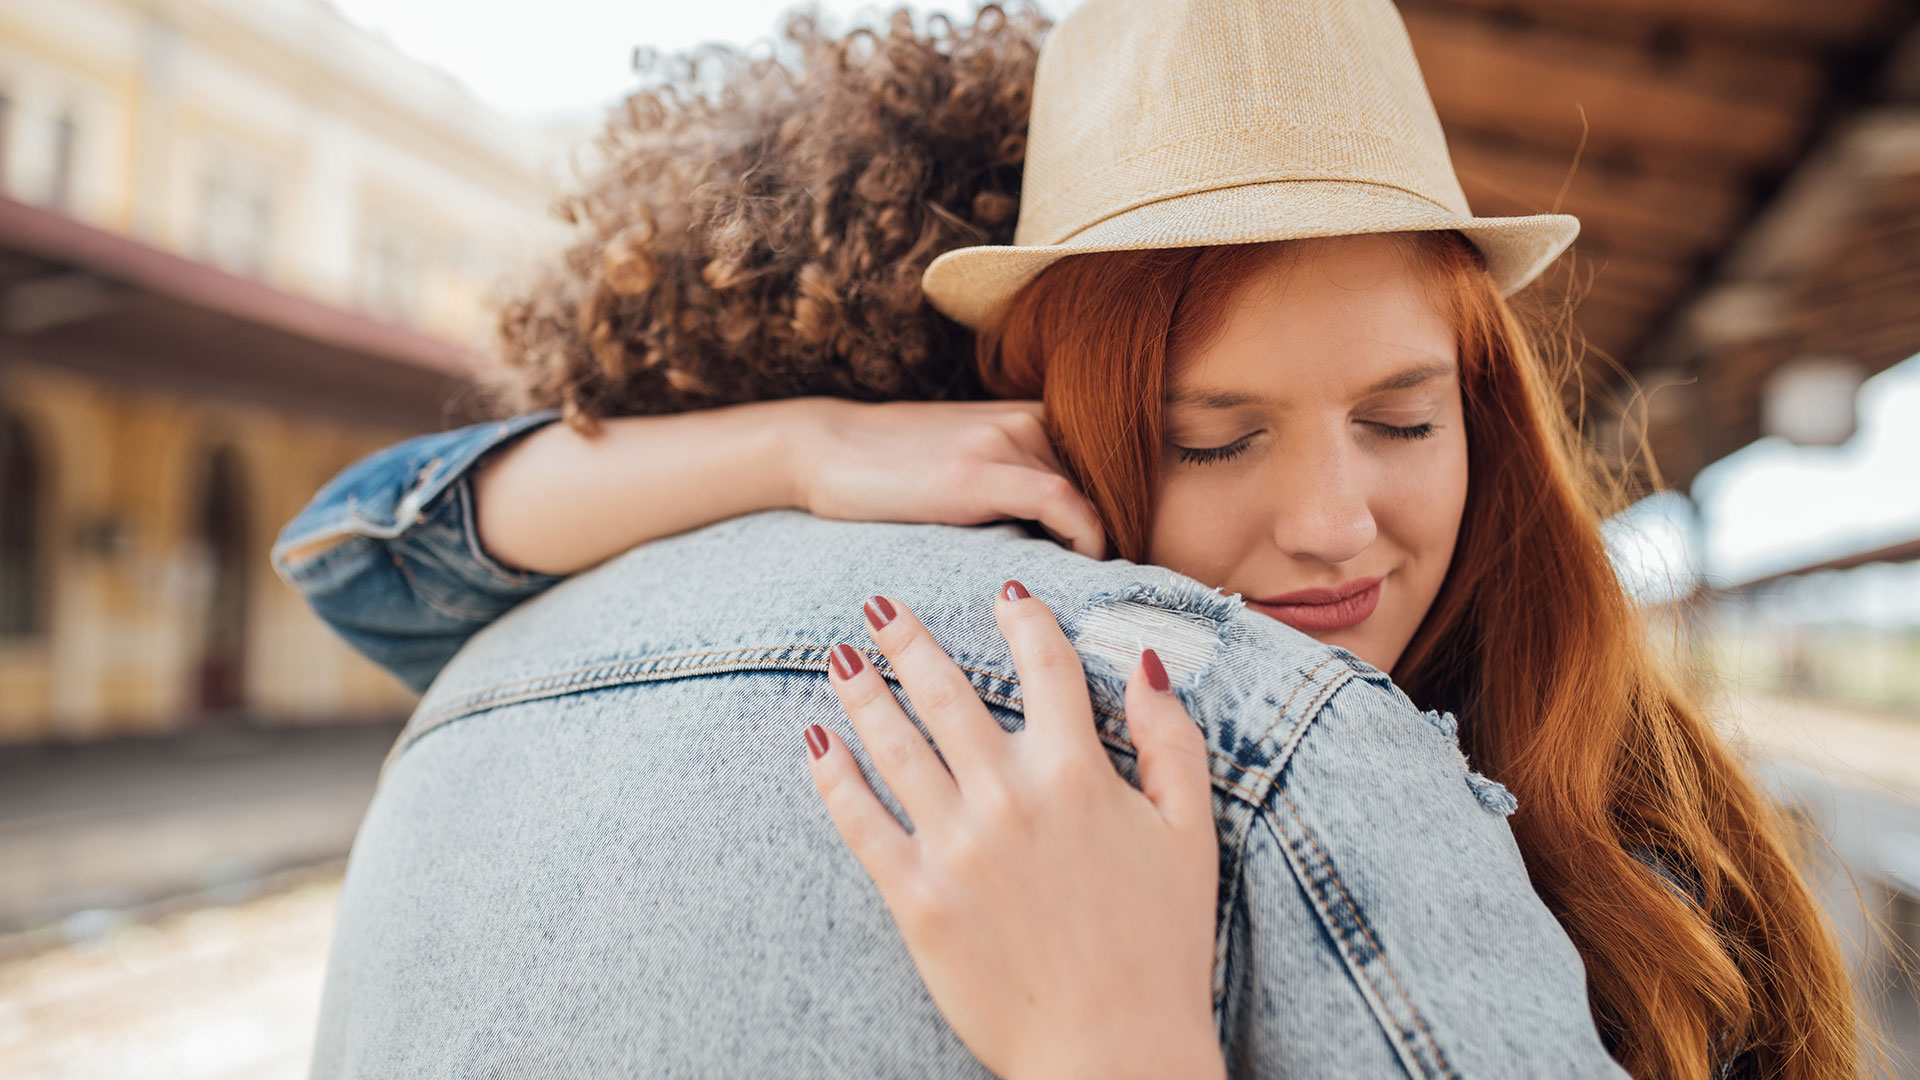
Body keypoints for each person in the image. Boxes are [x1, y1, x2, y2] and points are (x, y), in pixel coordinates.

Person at [279, 3, 1859, 1078]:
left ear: (1487, 411)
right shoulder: (1199, 719)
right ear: (1050, 427)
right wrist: (807, 447)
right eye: (1210, 439)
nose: (1331, 524)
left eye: (1403, 419)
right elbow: (372, 553)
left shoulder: (1641, 799)